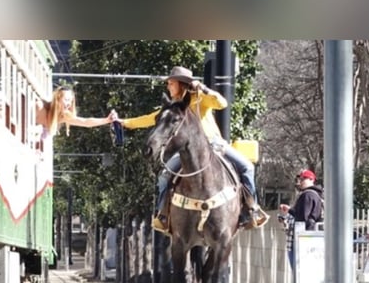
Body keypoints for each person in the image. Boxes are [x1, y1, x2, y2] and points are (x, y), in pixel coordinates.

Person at [114, 66, 267, 234]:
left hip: (214, 144)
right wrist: (124, 122)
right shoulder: (172, 108)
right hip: (187, 151)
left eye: (171, 83)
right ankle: (163, 215)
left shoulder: (200, 98)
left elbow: (221, 103)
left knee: (247, 167)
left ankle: (251, 210)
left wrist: (203, 88)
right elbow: (150, 118)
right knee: (164, 176)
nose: (168, 86)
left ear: (181, 84)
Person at [278, 169, 324, 272]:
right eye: (300, 179)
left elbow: (302, 218)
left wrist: (290, 212)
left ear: (311, 179)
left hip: (303, 240)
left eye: (303, 179)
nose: (300, 181)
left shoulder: (307, 195)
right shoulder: (316, 195)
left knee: (299, 274)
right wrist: (290, 210)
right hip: (311, 238)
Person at [35, 86, 113, 139]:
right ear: (57, 99)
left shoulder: (64, 116)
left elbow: (86, 122)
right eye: (66, 100)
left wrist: (106, 120)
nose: (69, 104)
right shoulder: (40, 107)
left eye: (71, 101)